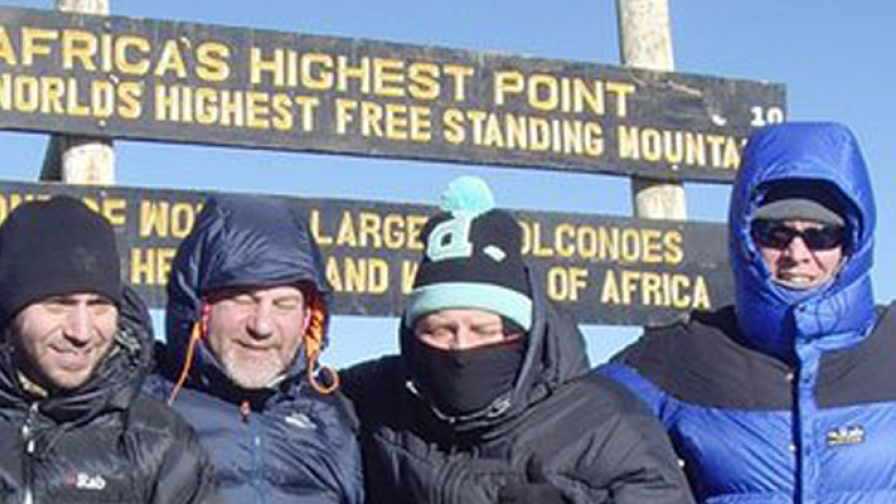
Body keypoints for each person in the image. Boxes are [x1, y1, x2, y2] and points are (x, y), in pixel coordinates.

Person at [342, 176, 694, 504]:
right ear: (412, 335)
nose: (461, 347)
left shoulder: (609, 425)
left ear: (525, 332)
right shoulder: (379, 397)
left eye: (484, 330)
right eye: (439, 330)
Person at [600, 122, 896, 503]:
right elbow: (559, 434)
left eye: (821, 235)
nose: (797, 253)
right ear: (745, 238)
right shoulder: (680, 356)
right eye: (775, 233)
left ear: (852, 241)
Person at [0, 196, 219, 503]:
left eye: (99, 306)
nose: (81, 331)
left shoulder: (159, 441)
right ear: (10, 310)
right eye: (58, 305)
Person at [148, 195, 363, 504]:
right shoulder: (144, 409)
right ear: (200, 306)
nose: (262, 326)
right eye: (242, 298)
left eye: (283, 304)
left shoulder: (332, 417)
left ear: (308, 316)